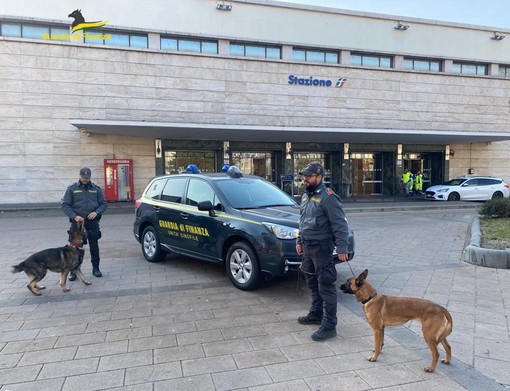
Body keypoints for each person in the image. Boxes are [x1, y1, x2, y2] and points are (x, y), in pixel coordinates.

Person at [295, 162, 350, 341]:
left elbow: (340, 224)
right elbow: (302, 220)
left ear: (319, 177)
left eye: (308, 176)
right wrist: (299, 240)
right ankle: (316, 314)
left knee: (325, 285)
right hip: (308, 246)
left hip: (322, 247)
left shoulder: (328, 197)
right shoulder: (305, 196)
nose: (305, 179)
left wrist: (342, 247)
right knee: (312, 282)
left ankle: (329, 325)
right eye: (304, 176)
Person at [61, 167, 107, 279]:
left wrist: (96, 212)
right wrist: (74, 216)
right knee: (74, 248)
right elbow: (64, 204)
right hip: (77, 223)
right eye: (83, 177)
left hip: (92, 222)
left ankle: (96, 269)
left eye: (87, 178)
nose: (86, 179)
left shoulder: (96, 189)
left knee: (94, 246)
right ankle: (73, 271)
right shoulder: (72, 189)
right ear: (80, 176)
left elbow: (103, 204)